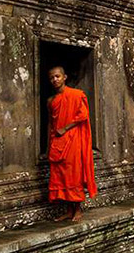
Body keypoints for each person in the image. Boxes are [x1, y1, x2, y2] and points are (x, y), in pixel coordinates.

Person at [46, 66, 98, 222]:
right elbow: (50, 122)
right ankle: (69, 210)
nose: (55, 80)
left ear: (64, 77)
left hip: (73, 139)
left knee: (73, 174)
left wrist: (65, 128)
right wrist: (48, 144)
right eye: (52, 78)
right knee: (60, 176)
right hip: (57, 141)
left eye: (57, 76)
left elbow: (83, 115)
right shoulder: (51, 101)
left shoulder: (76, 95)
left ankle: (78, 210)